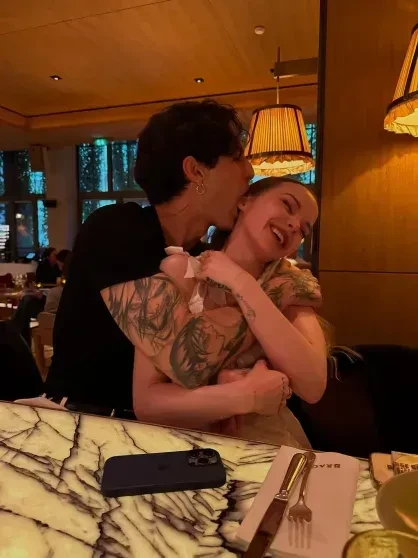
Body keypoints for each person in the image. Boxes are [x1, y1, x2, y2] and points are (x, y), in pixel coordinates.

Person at [46, 100, 285, 418]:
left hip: (155, 430)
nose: (250, 171)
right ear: (196, 171)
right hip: (79, 425)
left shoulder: (204, 257)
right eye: (238, 157)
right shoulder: (117, 230)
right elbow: (188, 358)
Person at [108, 177, 327, 446]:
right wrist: (244, 396)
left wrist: (241, 283)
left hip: (267, 448)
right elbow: (147, 403)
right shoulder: (181, 274)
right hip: (187, 448)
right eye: (287, 205)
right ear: (245, 202)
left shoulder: (289, 286)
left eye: (303, 230)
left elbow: (313, 385)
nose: (294, 225)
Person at [11, 249, 70, 345]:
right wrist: (41, 295)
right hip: (51, 303)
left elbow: (58, 301)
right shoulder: (44, 267)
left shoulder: (71, 278)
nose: (60, 268)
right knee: (27, 300)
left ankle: (16, 336)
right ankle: (17, 335)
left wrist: (41, 296)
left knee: (27, 303)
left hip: (54, 315)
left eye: (61, 266)